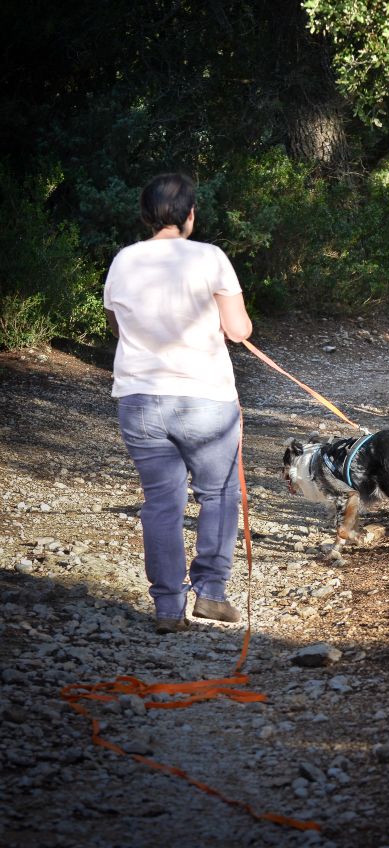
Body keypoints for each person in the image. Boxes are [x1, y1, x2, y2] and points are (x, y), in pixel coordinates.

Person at [103, 173, 253, 634]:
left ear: (146, 215)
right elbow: (239, 331)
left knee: (161, 504)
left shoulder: (124, 260)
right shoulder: (211, 257)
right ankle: (211, 594)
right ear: (190, 214)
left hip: (140, 399)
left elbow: (116, 325)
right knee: (219, 494)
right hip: (206, 398)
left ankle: (167, 608)